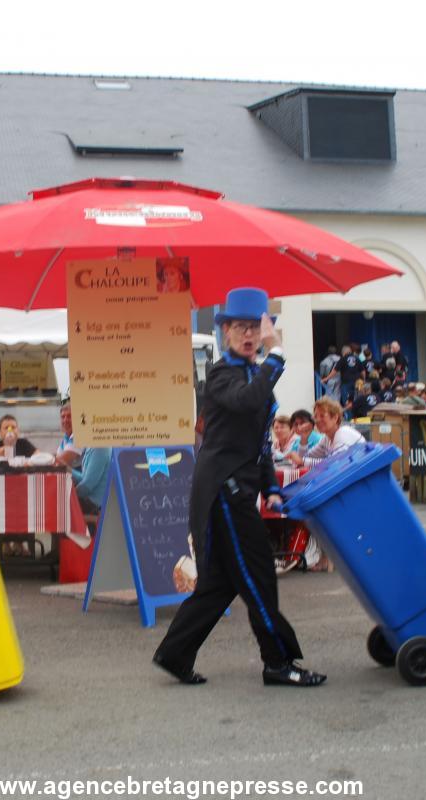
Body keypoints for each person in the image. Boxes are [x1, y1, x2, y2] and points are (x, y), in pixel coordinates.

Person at [153, 287, 325, 688]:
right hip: (224, 493)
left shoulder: (251, 373)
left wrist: (272, 488)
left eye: (255, 327)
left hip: (236, 490)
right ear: (225, 331)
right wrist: (276, 355)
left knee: (222, 582)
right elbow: (249, 402)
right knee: (259, 574)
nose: (248, 335)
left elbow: (259, 439)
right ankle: (278, 662)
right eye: (240, 327)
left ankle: (174, 654)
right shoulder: (222, 375)